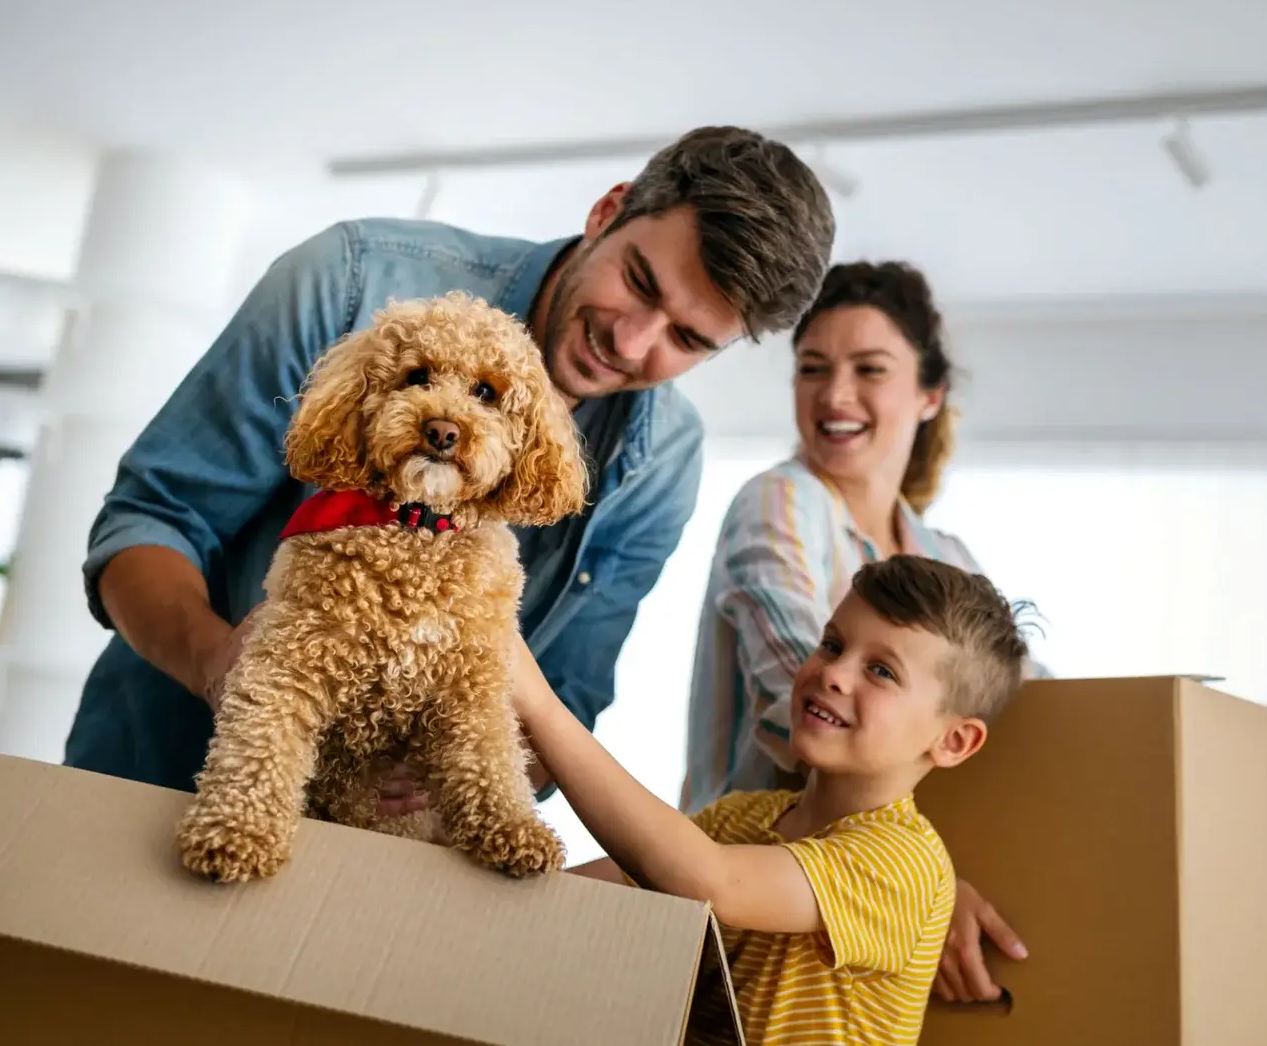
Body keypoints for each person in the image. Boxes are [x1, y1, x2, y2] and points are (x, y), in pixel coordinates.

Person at [62, 126, 836, 807]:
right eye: (638, 281)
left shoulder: (666, 460)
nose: (632, 343)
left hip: (376, 866)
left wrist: (461, 769)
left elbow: (568, 693)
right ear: (608, 210)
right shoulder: (348, 282)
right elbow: (151, 520)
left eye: (689, 341)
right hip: (155, 779)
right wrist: (218, 662)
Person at [680, 260, 1040, 1003]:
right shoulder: (781, 501)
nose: (835, 395)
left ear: (929, 394)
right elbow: (798, 698)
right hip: (741, 891)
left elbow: (1033, 716)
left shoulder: (949, 559)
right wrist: (921, 883)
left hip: (859, 924)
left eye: (868, 369)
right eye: (812, 368)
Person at [511, 554, 1032, 1046]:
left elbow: (713, 882)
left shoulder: (904, 861)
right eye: (832, 644)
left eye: (882, 671)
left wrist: (537, 702)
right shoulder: (741, 818)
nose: (834, 672)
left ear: (953, 741)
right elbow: (573, 895)